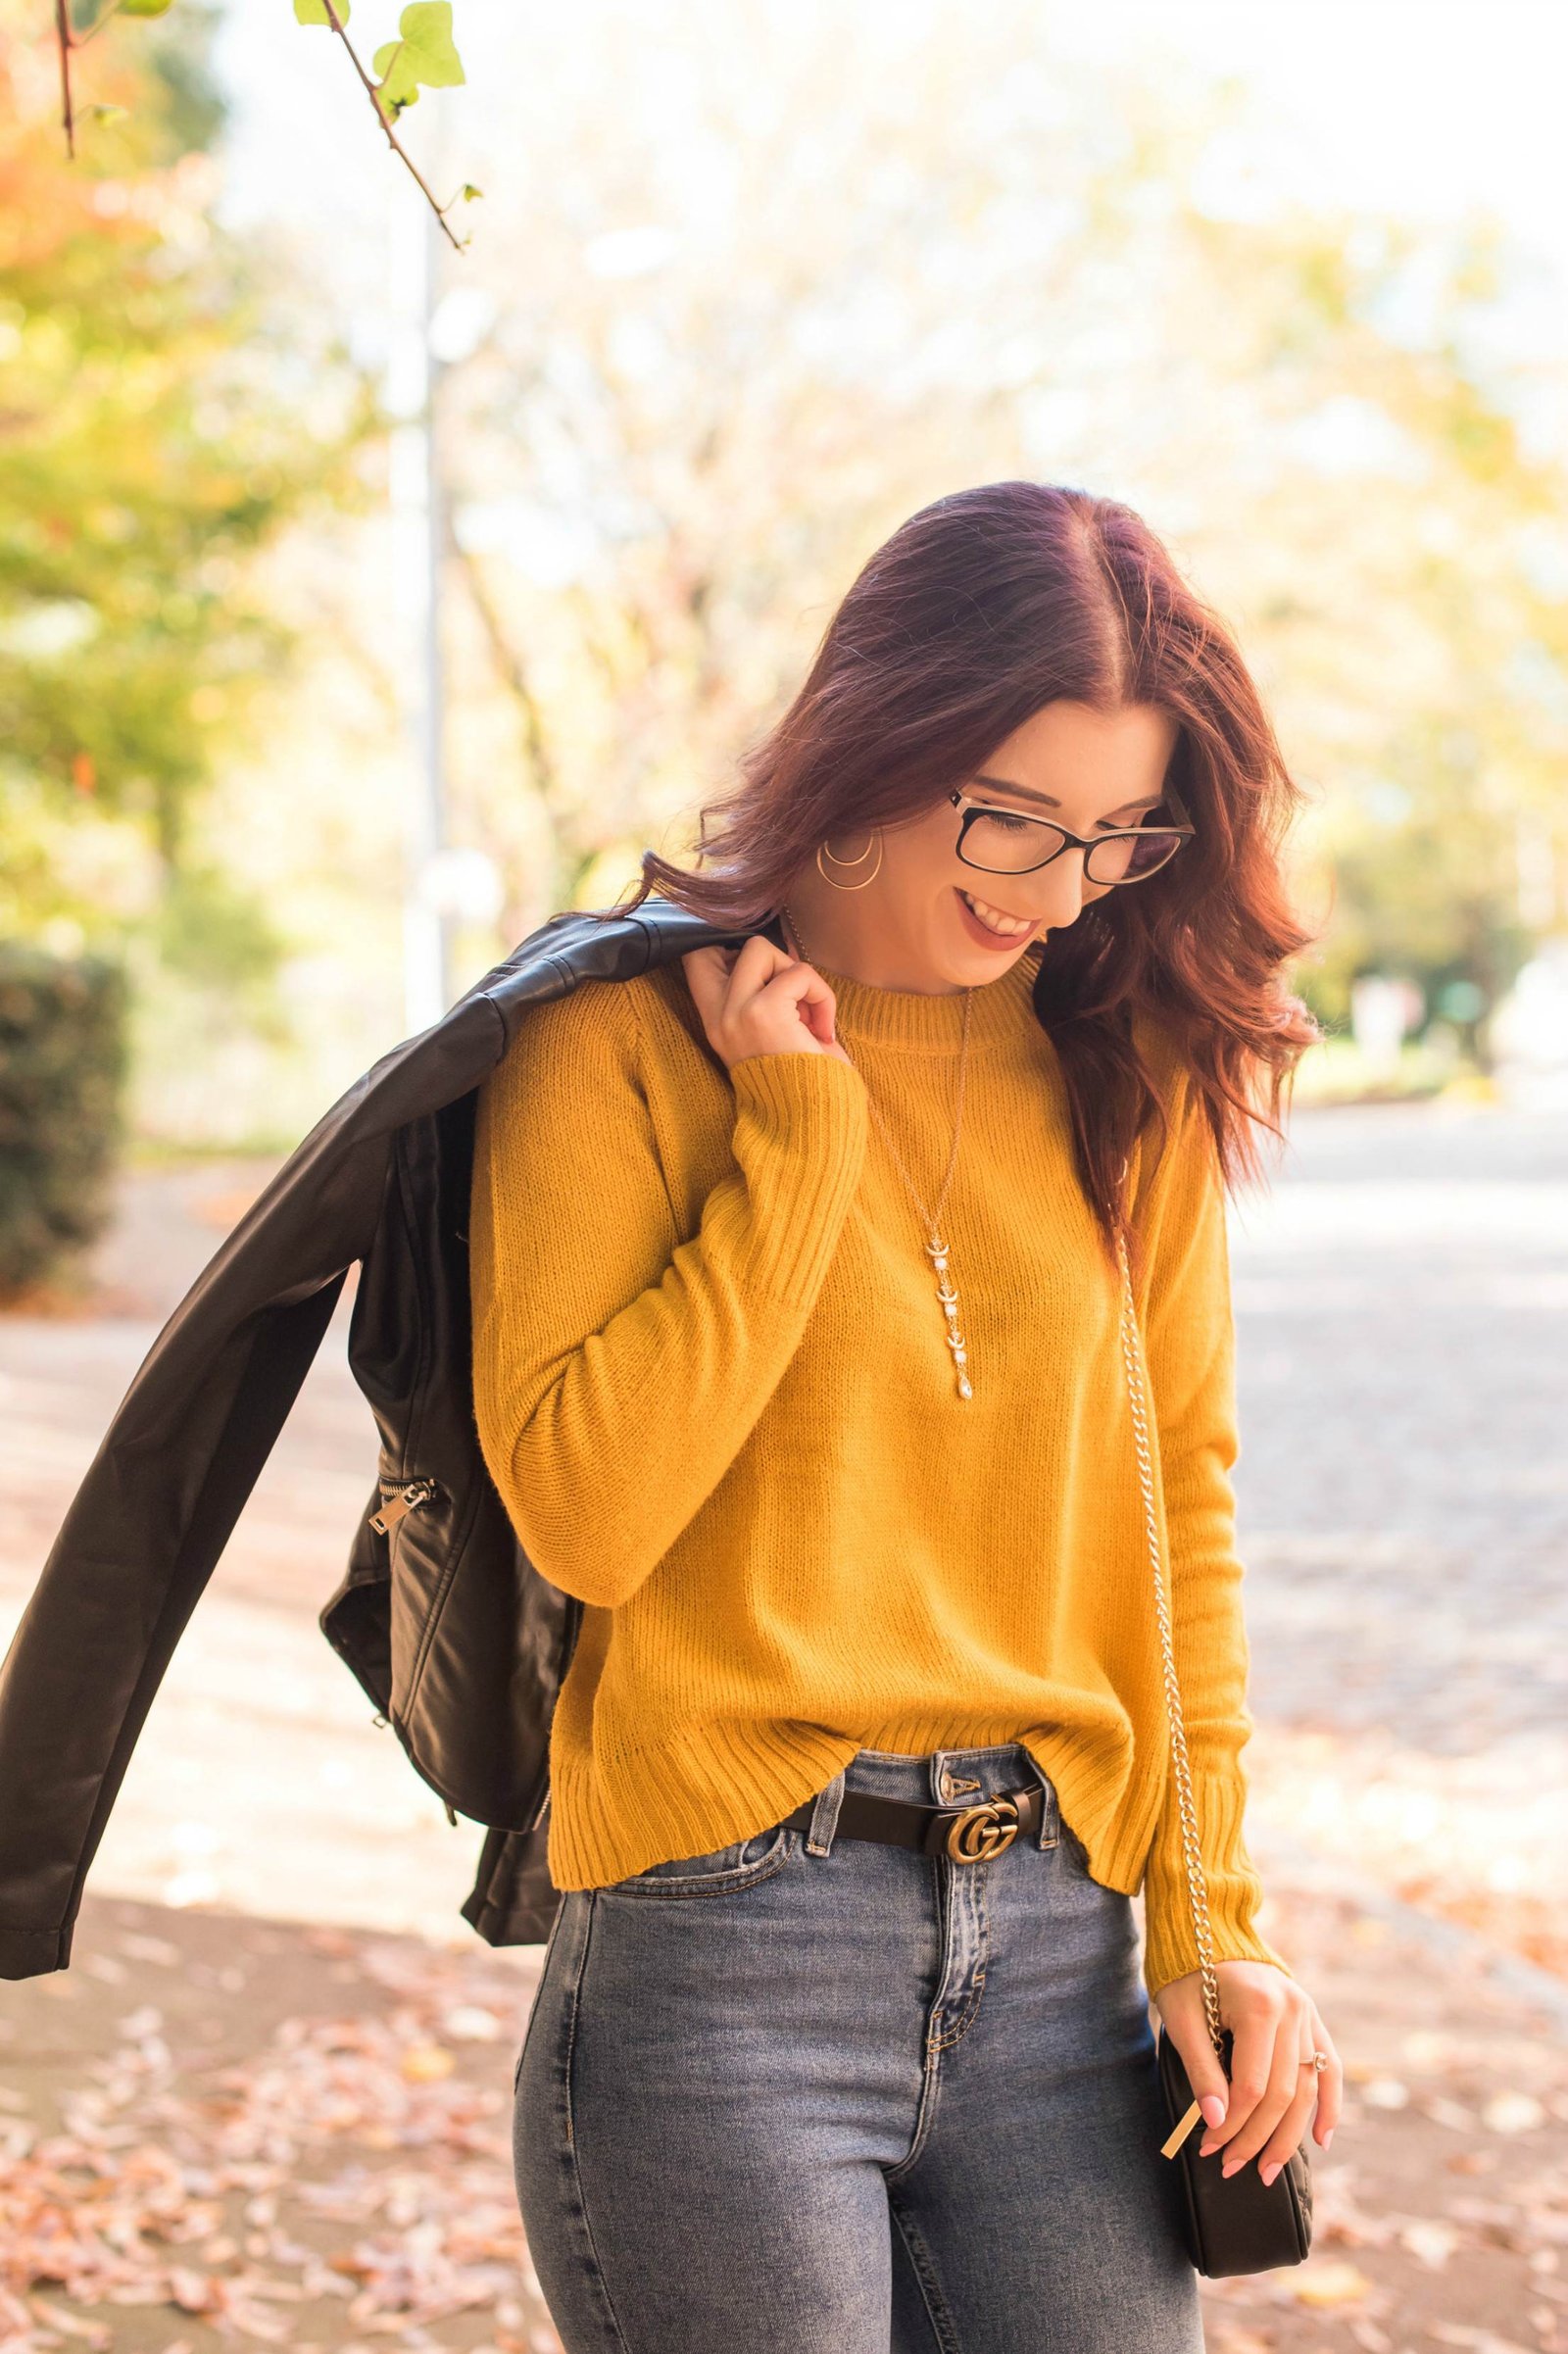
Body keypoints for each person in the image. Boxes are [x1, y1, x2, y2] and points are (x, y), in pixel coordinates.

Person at [467, 480, 1342, 2353]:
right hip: (724, 1954)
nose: (1054, 891)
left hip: (1062, 1952)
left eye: (1118, 834)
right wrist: (793, 1144)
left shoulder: (1131, 1070)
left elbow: (1178, 1504)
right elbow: (589, 1517)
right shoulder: (611, 1043)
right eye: (1011, 817)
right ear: (877, 734)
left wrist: (1214, 1911)